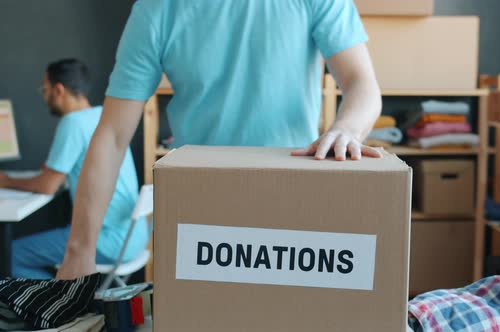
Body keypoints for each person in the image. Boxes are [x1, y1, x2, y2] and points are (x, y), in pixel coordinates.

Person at [56, 0, 382, 279]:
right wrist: (78, 251)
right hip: (197, 214)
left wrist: (347, 130)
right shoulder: (157, 8)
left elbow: (362, 83)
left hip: (290, 205)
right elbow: (112, 135)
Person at [0, 59, 148, 279]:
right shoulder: (104, 117)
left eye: (45, 89)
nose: (44, 96)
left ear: (59, 90)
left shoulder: (73, 123)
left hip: (107, 240)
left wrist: (6, 181)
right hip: (135, 238)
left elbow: (48, 185)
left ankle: (59, 302)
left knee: (9, 256)